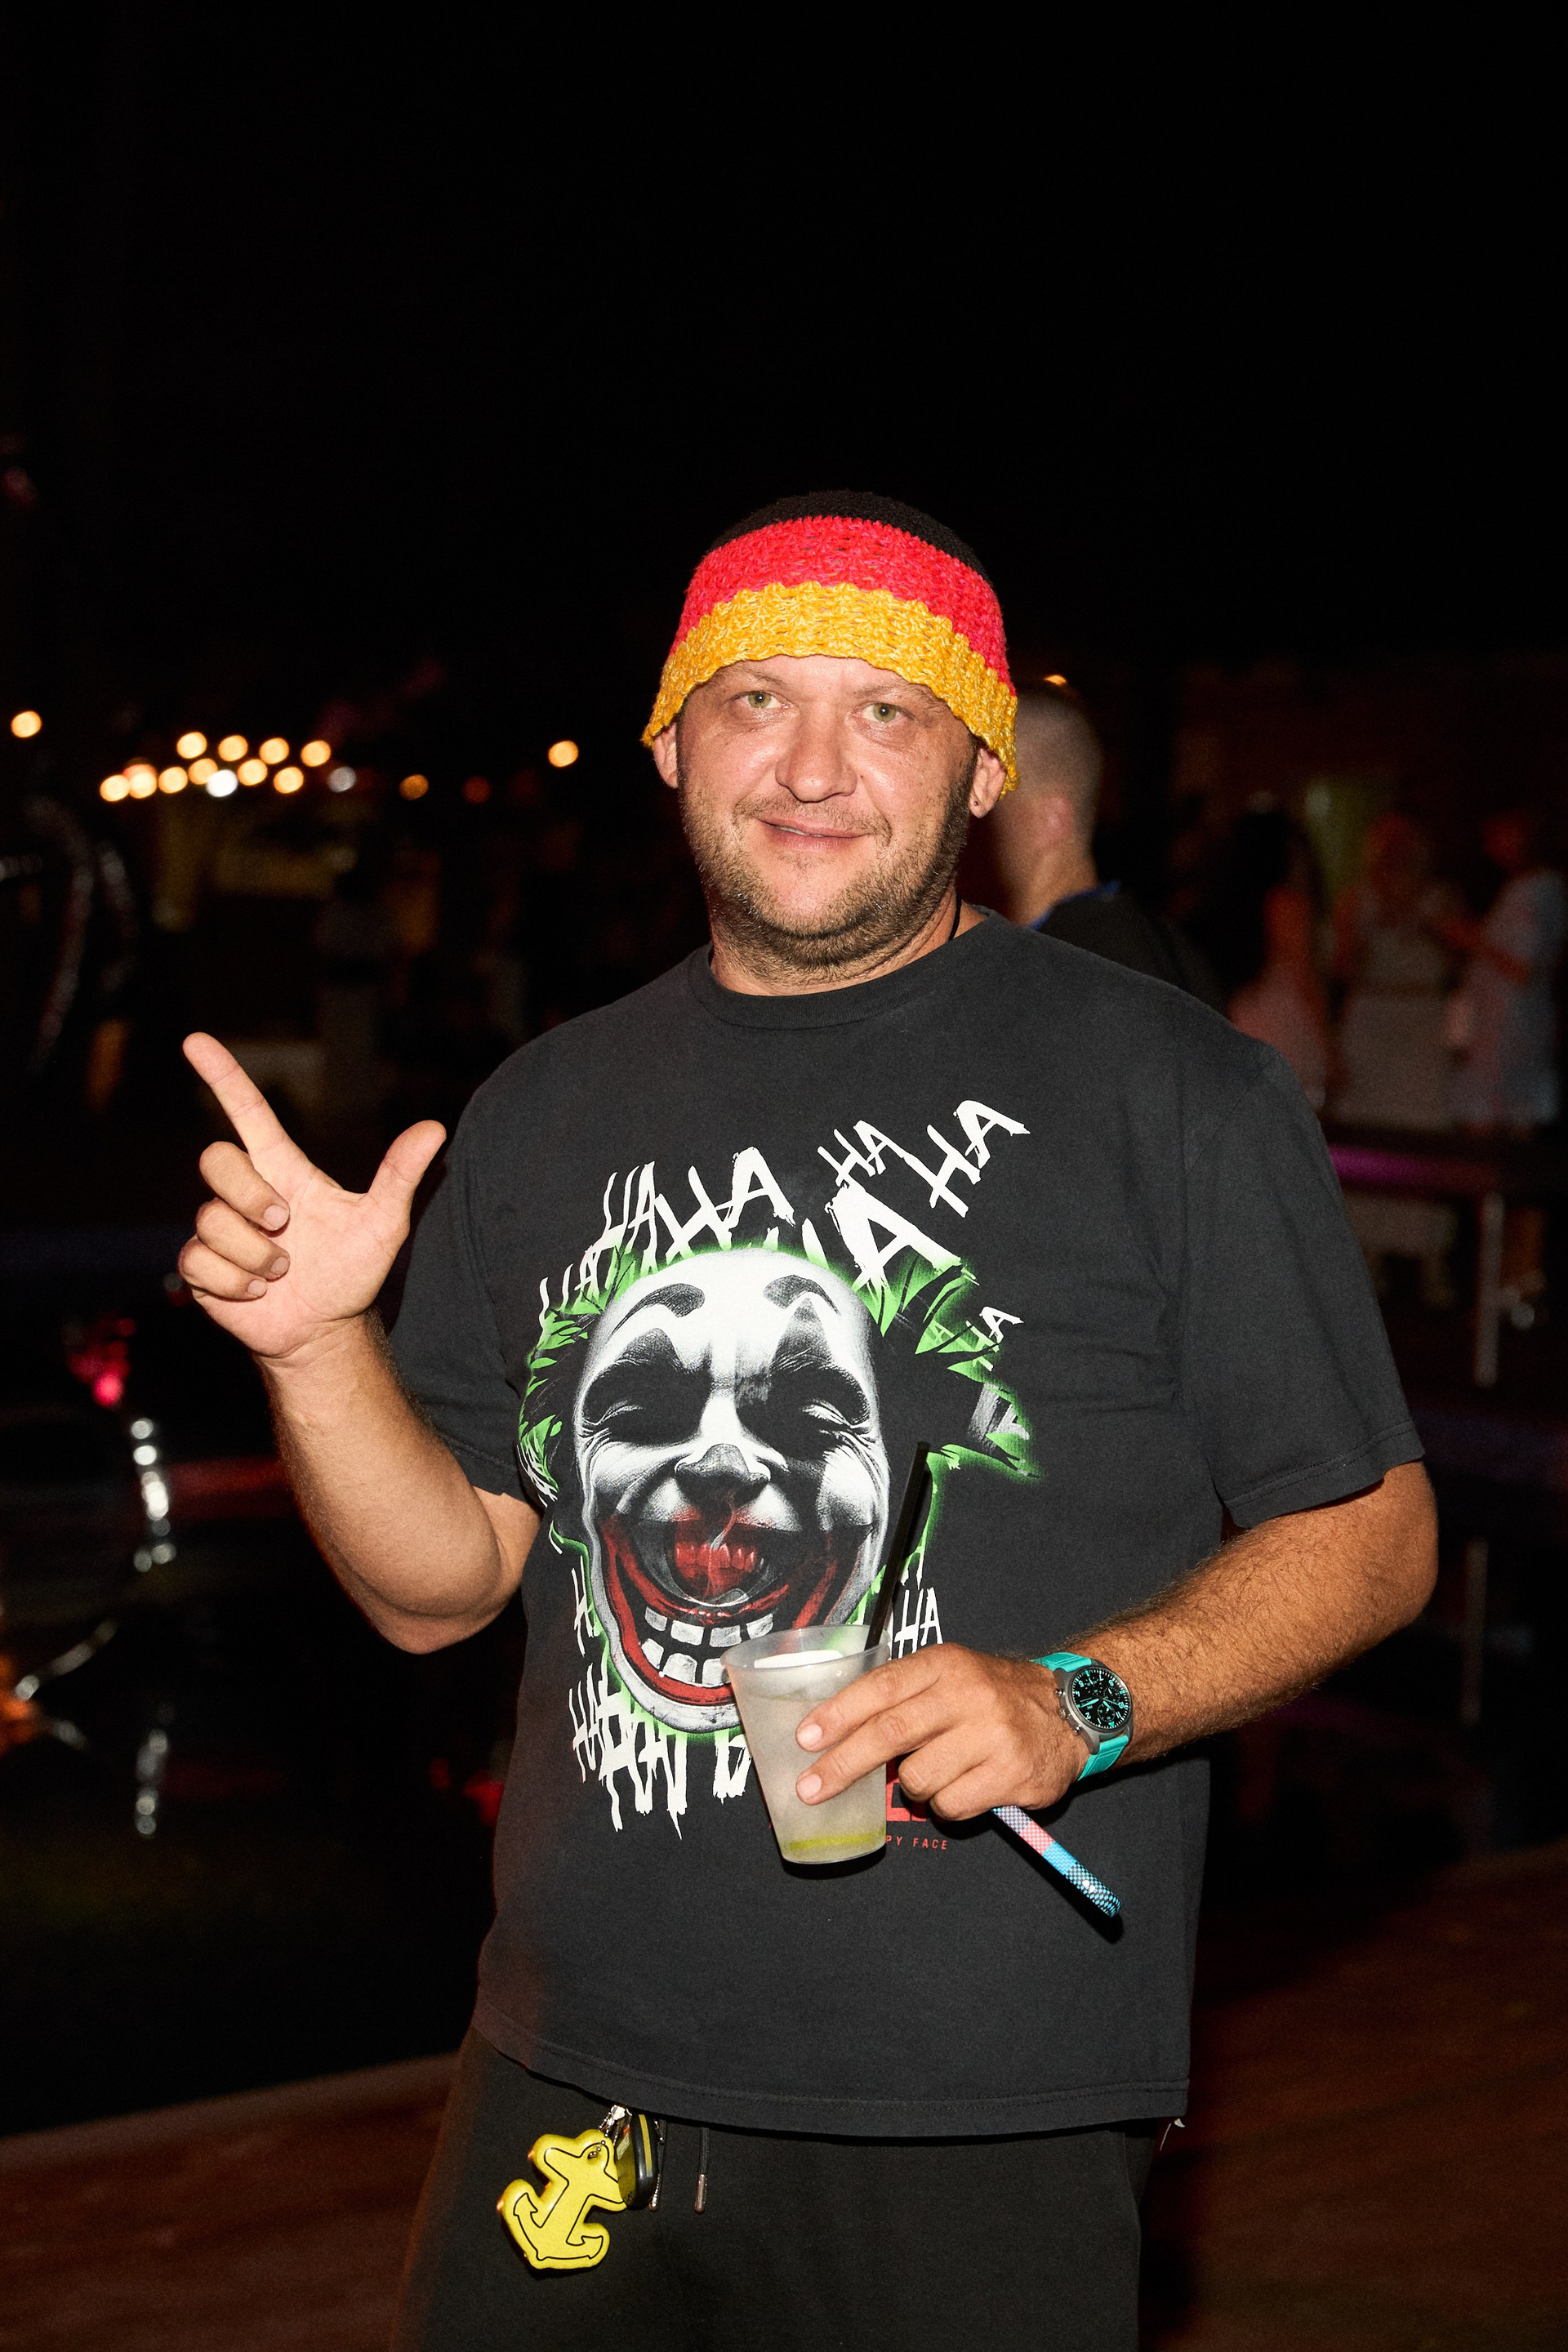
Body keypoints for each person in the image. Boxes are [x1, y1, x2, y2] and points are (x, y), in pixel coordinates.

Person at [176, 492, 1435, 2352]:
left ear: (981, 768)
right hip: (568, 2066)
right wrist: (313, 1350)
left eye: (889, 711)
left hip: (977, 2107)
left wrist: (1077, 1699)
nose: (817, 766)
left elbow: (1375, 1533)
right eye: (758, 699)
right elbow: (436, 1589)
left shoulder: (1173, 1090)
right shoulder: (541, 1110)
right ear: (672, 743)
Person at [987, 682, 1224, 1007]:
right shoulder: (1176, 954)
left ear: (1052, 819)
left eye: (992, 798)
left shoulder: (1049, 975)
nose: (974, 812)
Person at [1329, 813, 1462, 1304]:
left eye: (1404, 844)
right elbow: (1342, 968)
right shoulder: (1356, 899)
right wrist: (1368, 932)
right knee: (1370, 1126)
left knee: (1424, 1127)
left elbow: (1461, 961)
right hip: (1373, 1017)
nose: (1395, 854)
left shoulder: (1442, 898)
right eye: (1386, 844)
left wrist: (1429, 930)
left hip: (1421, 1019)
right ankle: (1368, 1257)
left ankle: (1431, 1260)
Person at [1442, 805, 1566, 1322]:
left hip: (1517, 1044)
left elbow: (1525, 968)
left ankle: (1522, 1277)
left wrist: (1469, 938)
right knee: (1489, 1162)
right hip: (1495, 1042)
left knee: (1516, 1163)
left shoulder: (1544, 890)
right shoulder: (1516, 889)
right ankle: (1502, 1277)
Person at [1216, 808, 1332, 1111]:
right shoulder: (1287, 904)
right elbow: (1305, 980)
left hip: (1249, 1017)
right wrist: (1330, 1050)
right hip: (1286, 1022)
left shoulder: (1244, 908)